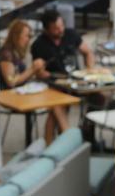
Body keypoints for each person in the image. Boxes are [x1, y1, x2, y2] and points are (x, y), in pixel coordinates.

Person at [30, 9, 97, 142]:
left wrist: (89, 69)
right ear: (46, 29)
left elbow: (88, 52)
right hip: (54, 84)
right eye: (56, 29)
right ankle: (64, 140)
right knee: (57, 103)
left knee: (98, 97)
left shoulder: (71, 34)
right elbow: (38, 72)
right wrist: (44, 74)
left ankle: (86, 134)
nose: (61, 30)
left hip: (76, 81)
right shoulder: (39, 45)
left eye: (62, 26)